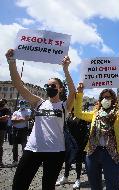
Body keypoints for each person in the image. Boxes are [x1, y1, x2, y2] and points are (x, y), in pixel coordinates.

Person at [6, 49, 75, 190]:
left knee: (48, 186)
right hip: (33, 148)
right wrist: (11, 62)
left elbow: (73, 92)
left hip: (56, 151)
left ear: (60, 89)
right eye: (47, 85)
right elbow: (19, 85)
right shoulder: (39, 102)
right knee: (19, 184)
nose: (50, 87)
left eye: (53, 86)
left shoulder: (64, 106)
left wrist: (66, 69)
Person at [74, 79, 119, 190]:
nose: (106, 99)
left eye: (108, 97)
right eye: (103, 97)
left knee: (112, 186)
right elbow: (78, 113)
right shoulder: (94, 114)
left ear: (113, 99)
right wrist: (80, 93)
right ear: (100, 100)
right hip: (92, 152)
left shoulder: (117, 115)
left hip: (110, 154)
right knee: (95, 185)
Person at [56, 108, 89, 189]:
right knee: (67, 160)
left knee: (78, 162)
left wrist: (83, 144)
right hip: (69, 143)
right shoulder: (69, 116)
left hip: (79, 143)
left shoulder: (82, 117)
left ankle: (78, 179)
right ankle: (65, 177)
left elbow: (85, 132)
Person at [11, 100, 31, 166]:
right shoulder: (16, 112)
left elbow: (27, 119)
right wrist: (22, 119)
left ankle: (24, 161)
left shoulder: (28, 111)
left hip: (23, 130)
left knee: (24, 145)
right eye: (21, 104)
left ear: (25, 104)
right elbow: (13, 121)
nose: (22, 105)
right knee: (14, 146)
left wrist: (17, 119)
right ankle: (15, 160)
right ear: (20, 104)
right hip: (15, 130)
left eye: (23, 104)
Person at [0, 98, 11, 167]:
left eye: (2, 101)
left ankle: (0, 162)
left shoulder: (6, 110)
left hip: (1, 129)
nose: (0, 101)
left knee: (0, 146)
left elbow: (5, 118)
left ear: (4, 103)